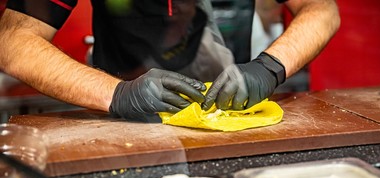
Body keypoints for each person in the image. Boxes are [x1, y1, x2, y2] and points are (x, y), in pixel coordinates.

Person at [0, 0, 340, 121]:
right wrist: (118, 94)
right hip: (120, 126)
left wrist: (267, 68)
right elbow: (12, 41)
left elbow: (322, 9)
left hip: (229, 119)